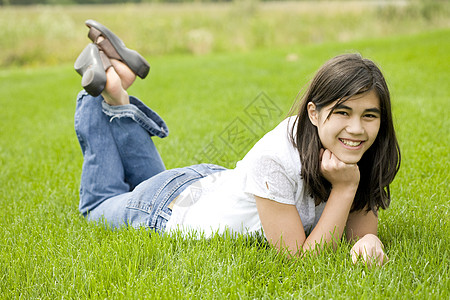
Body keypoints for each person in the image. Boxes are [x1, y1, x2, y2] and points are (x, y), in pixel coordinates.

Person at [74, 20, 400, 267]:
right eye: (343, 112)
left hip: (203, 184)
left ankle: (116, 88)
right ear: (313, 113)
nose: (356, 129)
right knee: (97, 205)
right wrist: (344, 189)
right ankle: (99, 85)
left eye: (369, 116)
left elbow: (357, 232)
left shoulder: (355, 151)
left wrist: (369, 241)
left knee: (144, 184)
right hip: (166, 211)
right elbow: (301, 259)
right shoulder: (278, 159)